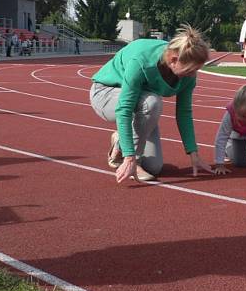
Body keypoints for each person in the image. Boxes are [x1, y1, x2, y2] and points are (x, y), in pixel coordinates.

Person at [90, 24, 213, 184]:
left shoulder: (188, 75)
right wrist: (130, 157)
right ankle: (130, 157)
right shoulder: (142, 62)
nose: (193, 75)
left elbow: (184, 113)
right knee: (152, 103)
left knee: (154, 168)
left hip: (141, 104)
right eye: (190, 70)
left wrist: (193, 154)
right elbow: (124, 109)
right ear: (173, 60)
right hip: (107, 93)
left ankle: (120, 141)